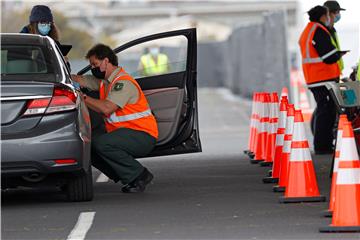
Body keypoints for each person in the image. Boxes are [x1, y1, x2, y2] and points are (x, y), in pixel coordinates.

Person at [71, 44, 158, 193]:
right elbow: (80, 79)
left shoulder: (122, 83)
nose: (92, 68)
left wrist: (82, 97)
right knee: (88, 147)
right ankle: (126, 175)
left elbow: (106, 108)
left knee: (102, 143)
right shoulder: (105, 82)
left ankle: (139, 175)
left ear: (106, 61)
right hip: (125, 133)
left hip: (142, 135)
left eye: (95, 64)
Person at [299, 5, 348, 154]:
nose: (330, 18)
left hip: (316, 78)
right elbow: (328, 57)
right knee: (326, 112)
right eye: (328, 15)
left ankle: (323, 145)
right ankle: (322, 146)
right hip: (323, 78)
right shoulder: (319, 31)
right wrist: (338, 55)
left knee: (324, 111)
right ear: (322, 16)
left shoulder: (309, 30)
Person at [323, 1, 346, 74]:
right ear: (328, 13)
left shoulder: (333, 30)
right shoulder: (322, 31)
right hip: (328, 73)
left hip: (335, 72)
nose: (339, 14)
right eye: (337, 12)